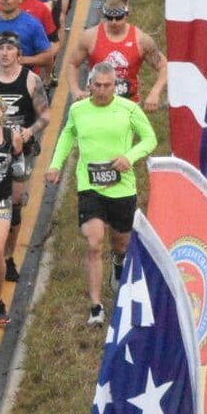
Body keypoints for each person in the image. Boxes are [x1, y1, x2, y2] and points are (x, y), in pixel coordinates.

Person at [42, 61, 155, 327]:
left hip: (121, 188)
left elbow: (149, 139)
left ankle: (117, 266)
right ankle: (96, 307)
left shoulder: (129, 109)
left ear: (115, 86)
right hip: (90, 186)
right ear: (89, 85)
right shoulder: (79, 109)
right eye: (97, 86)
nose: (102, 91)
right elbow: (68, 136)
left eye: (108, 86)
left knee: (121, 245)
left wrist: (129, 157)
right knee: (93, 243)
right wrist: (55, 165)